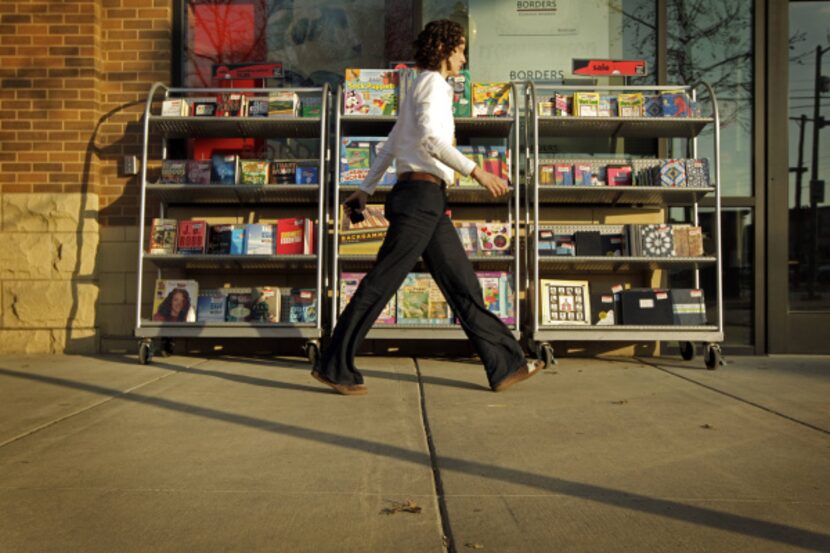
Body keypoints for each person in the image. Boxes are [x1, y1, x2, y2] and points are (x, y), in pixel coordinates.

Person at [312, 19, 544, 396]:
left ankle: (506, 364)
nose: (464, 58)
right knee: (381, 283)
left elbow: (390, 145)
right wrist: (479, 173)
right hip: (420, 199)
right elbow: (434, 143)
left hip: (425, 200)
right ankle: (334, 365)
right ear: (445, 50)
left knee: (463, 285)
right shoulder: (434, 85)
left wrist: (365, 189)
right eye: (461, 50)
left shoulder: (417, 86)